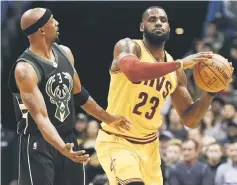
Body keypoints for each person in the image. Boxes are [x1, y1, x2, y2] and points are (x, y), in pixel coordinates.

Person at [95, 6, 233, 185]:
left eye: (163, 20)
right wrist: (179, 64)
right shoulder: (129, 46)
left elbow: (190, 119)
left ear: (168, 27)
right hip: (118, 140)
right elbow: (133, 71)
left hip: (150, 146)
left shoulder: (176, 71)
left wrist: (211, 93)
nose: (158, 22)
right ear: (142, 27)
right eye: (152, 20)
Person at [8, 8, 131, 185]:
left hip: (68, 139)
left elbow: (79, 94)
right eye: (52, 20)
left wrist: (109, 118)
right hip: (38, 143)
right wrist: (61, 148)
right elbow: (41, 119)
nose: (57, 23)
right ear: (42, 30)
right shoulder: (26, 69)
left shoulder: (65, 53)